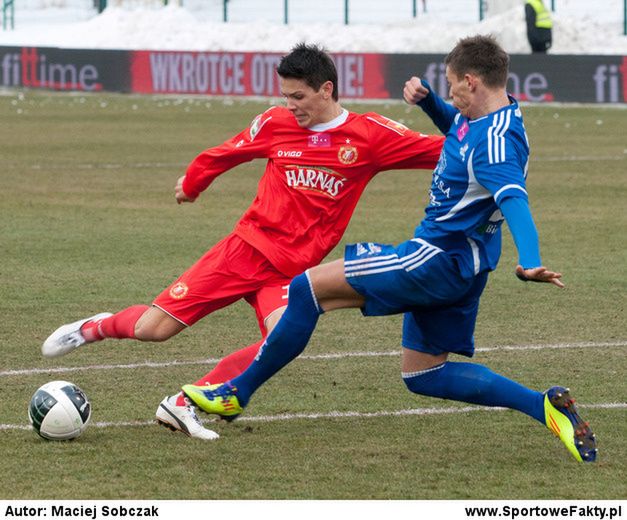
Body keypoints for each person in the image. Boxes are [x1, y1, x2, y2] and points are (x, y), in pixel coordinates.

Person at [182, 35, 598, 463]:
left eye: (452, 84)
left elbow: (513, 197)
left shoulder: (494, 146)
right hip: (467, 266)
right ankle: (543, 405)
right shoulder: (500, 114)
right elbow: (460, 132)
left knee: (306, 288)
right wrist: (431, 102)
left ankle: (236, 392)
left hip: (434, 257)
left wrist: (530, 261)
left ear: (472, 82)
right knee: (425, 373)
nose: (452, 92)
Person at [42, 43, 444, 440]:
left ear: (326, 89)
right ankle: (96, 326)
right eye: (285, 96)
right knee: (153, 330)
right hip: (246, 250)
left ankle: (185, 404)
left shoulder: (370, 135)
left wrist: (480, 123)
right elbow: (224, 153)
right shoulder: (275, 123)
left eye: (299, 96)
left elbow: (444, 151)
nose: (291, 105)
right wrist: (193, 186)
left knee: (281, 342)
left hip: (292, 272)